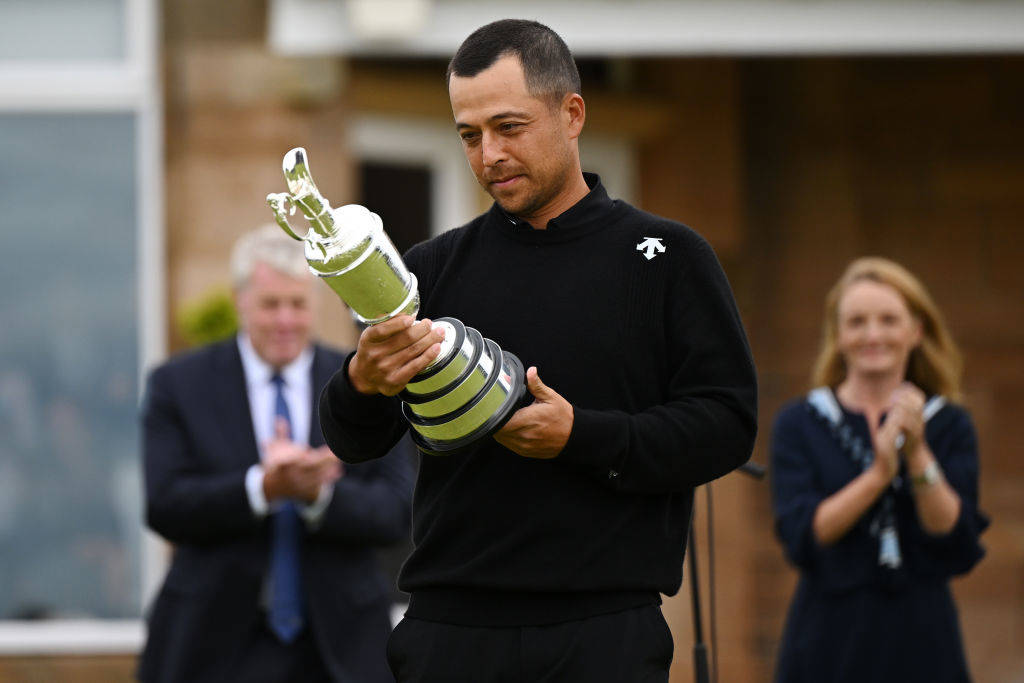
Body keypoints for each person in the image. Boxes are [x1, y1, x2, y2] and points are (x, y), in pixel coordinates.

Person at [318, 19, 758, 682]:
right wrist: (360, 380)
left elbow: (727, 424)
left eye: (509, 126)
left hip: (603, 631)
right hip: (449, 632)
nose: (488, 153)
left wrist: (582, 435)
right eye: (469, 134)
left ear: (571, 113)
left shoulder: (667, 258)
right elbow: (355, 439)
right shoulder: (432, 268)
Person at [138, 225, 412, 683]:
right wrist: (261, 488)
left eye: (298, 304)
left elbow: (396, 511)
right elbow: (164, 505)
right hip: (215, 644)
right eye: (271, 305)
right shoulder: (178, 385)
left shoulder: (364, 382)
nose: (286, 320)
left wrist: (319, 496)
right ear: (240, 300)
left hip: (341, 648)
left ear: (314, 302)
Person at [770, 257, 988, 683]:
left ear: (916, 331)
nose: (873, 335)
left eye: (889, 320)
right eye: (857, 322)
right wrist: (879, 475)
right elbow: (804, 533)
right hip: (828, 643)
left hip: (924, 642)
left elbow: (951, 532)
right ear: (838, 334)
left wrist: (919, 451)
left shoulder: (949, 422)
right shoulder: (800, 422)